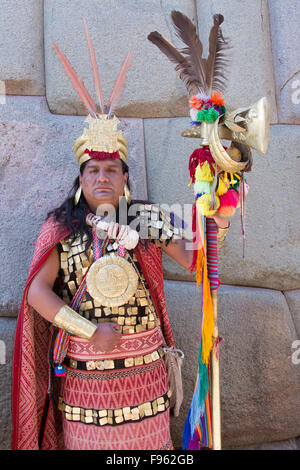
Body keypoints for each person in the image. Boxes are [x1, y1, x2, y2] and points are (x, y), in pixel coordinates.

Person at [11, 23, 230, 450]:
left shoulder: (144, 219)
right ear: (80, 179)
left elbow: (195, 261)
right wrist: (88, 332)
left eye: (112, 169)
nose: (102, 177)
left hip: (146, 371)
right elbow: (37, 292)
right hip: (84, 378)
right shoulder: (63, 228)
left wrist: (216, 220)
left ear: (125, 177)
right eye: (93, 170)